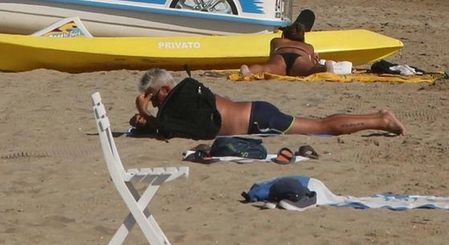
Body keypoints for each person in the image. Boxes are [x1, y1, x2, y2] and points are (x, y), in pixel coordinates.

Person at [132, 68, 406, 137]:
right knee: (320, 124)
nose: (155, 105)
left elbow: (171, 128)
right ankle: (376, 116)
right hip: (256, 113)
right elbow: (177, 128)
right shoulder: (185, 94)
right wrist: (148, 120)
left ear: (165, 90)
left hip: (259, 121)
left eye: (155, 99)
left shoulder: (181, 98)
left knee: (323, 127)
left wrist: (143, 112)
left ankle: (380, 120)